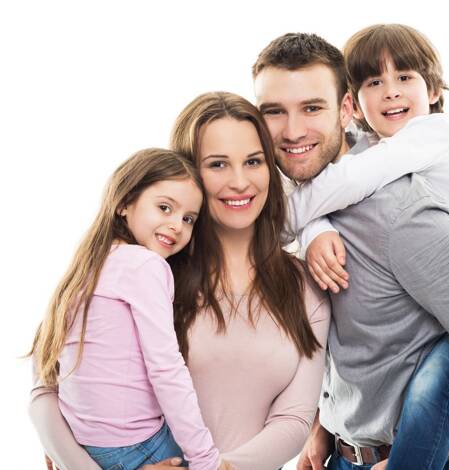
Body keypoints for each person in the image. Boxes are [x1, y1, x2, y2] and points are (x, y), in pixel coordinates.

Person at [253, 32, 449, 470]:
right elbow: (362, 337)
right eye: (274, 111)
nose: (292, 131)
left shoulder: (400, 203)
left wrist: (422, 455)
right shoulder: (316, 184)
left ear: (345, 109)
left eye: (312, 108)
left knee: (435, 383)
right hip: (344, 451)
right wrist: (327, 422)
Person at [29, 92, 331, 470]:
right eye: (218, 164)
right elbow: (46, 386)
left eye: (253, 161)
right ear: (189, 173)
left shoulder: (306, 286)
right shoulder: (145, 270)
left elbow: (294, 420)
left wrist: (216, 468)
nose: (240, 181)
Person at [29, 148, 228, 470]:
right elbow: (165, 369)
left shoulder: (87, 267)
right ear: (124, 203)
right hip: (137, 445)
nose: (177, 225)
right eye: (164, 208)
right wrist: (206, 460)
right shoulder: (144, 265)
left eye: (188, 218)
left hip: (89, 444)